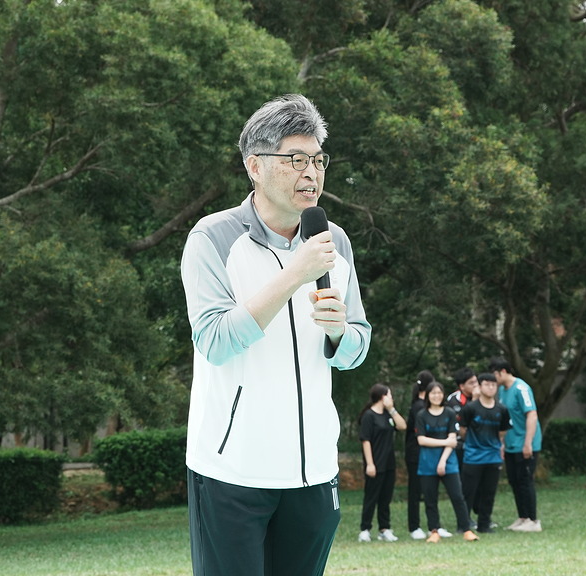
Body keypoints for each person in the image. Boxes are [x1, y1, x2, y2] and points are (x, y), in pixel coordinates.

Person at [181, 94, 372, 576]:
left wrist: (338, 333)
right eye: (295, 160)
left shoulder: (336, 241)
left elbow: (356, 348)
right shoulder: (212, 238)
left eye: (318, 160)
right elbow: (215, 342)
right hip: (231, 472)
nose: (311, 173)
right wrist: (293, 274)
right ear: (255, 166)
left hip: (314, 473)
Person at [415, 380, 479, 543]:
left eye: (439, 393)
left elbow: (453, 439)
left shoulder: (449, 413)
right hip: (427, 463)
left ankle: (466, 530)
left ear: (443, 395)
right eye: (433, 393)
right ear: (428, 396)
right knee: (430, 499)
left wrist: (443, 461)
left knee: (457, 496)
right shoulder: (421, 415)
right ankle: (434, 530)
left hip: (448, 462)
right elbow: (421, 440)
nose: (436, 396)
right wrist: (444, 442)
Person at [490, 356, 543, 533]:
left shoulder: (522, 388)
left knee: (525, 480)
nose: (493, 380)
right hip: (511, 443)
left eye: (495, 375)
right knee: (514, 480)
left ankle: (533, 520)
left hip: (525, 442)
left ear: (503, 372)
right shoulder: (502, 391)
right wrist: (502, 443)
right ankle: (523, 517)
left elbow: (532, 415)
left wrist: (528, 443)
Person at [458, 372, 510, 534]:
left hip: (493, 456)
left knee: (489, 493)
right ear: (479, 387)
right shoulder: (470, 408)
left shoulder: (502, 409)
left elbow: (502, 431)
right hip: (473, 456)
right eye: (487, 384)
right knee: (468, 492)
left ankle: (484, 524)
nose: (491, 388)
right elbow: (463, 430)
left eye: (493, 385)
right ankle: (464, 525)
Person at [358, 383, 406, 543]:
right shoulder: (369, 416)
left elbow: (402, 426)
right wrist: (370, 464)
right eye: (389, 395)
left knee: (385, 498)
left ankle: (384, 529)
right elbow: (365, 441)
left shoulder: (388, 415)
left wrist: (392, 409)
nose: (392, 398)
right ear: (382, 397)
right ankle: (365, 529)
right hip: (375, 463)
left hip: (389, 463)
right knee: (371, 498)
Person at [404, 370, 434, 540]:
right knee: (415, 491)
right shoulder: (419, 407)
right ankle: (414, 526)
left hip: (424, 452)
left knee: (428, 489)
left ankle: (433, 525)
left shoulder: (422, 404)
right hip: (415, 454)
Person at [446, 367, 479, 465]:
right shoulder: (453, 400)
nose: (475, 385)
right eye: (471, 383)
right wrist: (474, 401)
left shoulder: (484, 396)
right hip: (460, 443)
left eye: (476, 381)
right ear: (462, 386)